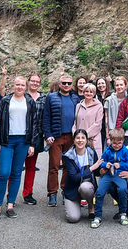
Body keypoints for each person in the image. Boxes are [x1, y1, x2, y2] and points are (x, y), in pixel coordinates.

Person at [0, 75, 37, 221]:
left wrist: (32, 144)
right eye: (17, 84)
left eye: (22, 85)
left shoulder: (30, 101)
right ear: (14, 85)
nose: (20, 87)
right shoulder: (5, 101)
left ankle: (10, 205)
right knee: (4, 173)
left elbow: (34, 124)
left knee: (16, 173)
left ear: (26, 86)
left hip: (23, 141)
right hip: (6, 140)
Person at [43, 74, 81, 207]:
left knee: (68, 165)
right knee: (53, 165)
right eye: (64, 83)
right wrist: (47, 134)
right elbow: (46, 117)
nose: (66, 85)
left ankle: (66, 191)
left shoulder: (75, 98)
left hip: (71, 137)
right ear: (59, 84)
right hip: (56, 136)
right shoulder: (51, 97)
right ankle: (52, 193)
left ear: (72, 85)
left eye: (69, 83)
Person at [92, 128, 128, 228]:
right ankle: (97, 216)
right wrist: (106, 165)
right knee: (100, 192)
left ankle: (123, 213)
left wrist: (121, 165)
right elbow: (101, 161)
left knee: (123, 190)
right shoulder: (107, 151)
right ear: (110, 141)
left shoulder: (125, 151)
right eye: (114, 143)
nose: (117, 145)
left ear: (123, 141)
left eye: (119, 143)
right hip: (107, 175)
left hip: (119, 174)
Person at [63, 129, 102, 223]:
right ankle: (76, 205)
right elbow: (75, 177)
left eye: (83, 138)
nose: (80, 140)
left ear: (86, 140)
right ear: (74, 140)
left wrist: (104, 168)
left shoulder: (91, 152)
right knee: (73, 218)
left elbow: (97, 172)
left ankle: (91, 205)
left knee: (85, 187)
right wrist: (92, 168)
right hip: (72, 188)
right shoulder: (68, 156)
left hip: (87, 186)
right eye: (77, 138)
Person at [21, 73, 45, 205]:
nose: (35, 83)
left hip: (36, 135)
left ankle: (28, 193)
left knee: (30, 166)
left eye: (37, 82)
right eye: (33, 81)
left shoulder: (43, 98)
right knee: (16, 166)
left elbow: (46, 117)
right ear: (28, 82)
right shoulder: (21, 96)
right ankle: (10, 192)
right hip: (20, 134)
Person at [73, 83, 104, 155]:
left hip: (93, 140)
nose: (89, 93)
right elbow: (75, 122)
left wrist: (84, 135)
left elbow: (98, 124)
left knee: (93, 162)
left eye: (91, 92)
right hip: (79, 141)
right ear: (83, 92)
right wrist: (75, 134)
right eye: (86, 91)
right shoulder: (78, 106)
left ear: (94, 93)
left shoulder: (99, 106)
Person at [104, 76, 127, 147]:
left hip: (127, 133)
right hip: (112, 133)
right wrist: (108, 137)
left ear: (125, 86)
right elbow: (106, 119)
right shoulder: (109, 100)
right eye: (117, 85)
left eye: (121, 85)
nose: (119, 87)